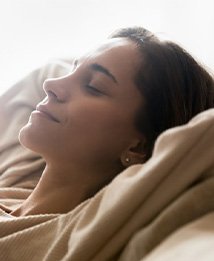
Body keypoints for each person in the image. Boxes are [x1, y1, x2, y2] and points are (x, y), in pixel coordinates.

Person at [4, 26, 213, 216]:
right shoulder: (18, 178)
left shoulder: (80, 236)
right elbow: (47, 71)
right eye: (72, 71)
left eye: (94, 86)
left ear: (139, 147)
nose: (51, 85)